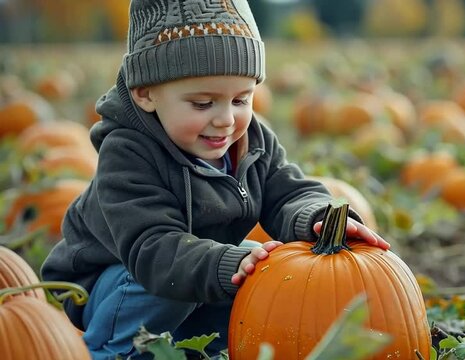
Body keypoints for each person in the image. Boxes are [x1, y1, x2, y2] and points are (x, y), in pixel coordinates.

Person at [40, 1, 390, 359]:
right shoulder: (128, 154)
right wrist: (226, 263)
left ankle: (194, 348)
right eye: (203, 103)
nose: (225, 120)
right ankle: (107, 352)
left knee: (261, 268)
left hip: (193, 273)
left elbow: (287, 191)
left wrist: (317, 217)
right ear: (144, 93)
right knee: (191, 277)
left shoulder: (251, 140)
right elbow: (153, 249)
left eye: (241, 99)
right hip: (108, 282)